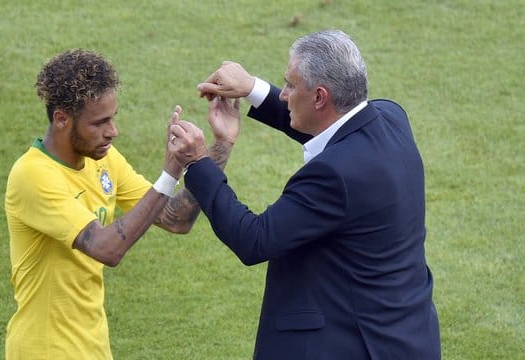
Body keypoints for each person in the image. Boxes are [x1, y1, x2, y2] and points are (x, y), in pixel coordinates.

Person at [168, 29, 441, 359]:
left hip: (354, 345)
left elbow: (254, 239)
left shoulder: (333, 176)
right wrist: (252, 88)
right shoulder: (390, 117)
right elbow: (330, 129)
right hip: (409, 337)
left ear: (320, 97)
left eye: (291, 85)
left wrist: (198, 161)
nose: (283, 94)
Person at [3, 49, 236, 359]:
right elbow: (106, 248)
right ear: (61, 119)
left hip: (93, 348)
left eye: (112, 118)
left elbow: (175, 218)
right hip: (46, 349)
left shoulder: (103, 159)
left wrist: (219, 146)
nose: (113, 131)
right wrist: (170, 171)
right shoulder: (33, 175)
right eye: (99, 123)